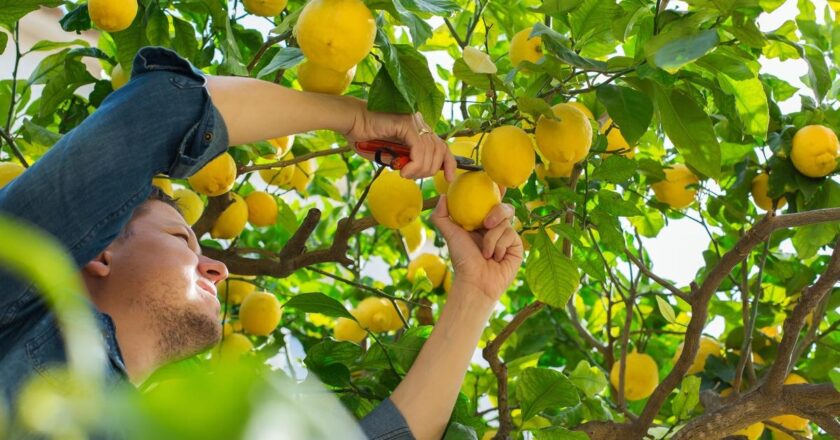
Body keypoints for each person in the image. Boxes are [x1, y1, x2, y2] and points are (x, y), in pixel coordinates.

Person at [0, 47, 523, 440]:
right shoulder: (16, 288)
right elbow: (156, 115)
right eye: (182, 237)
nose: (219, 269)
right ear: (98, 251)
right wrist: (356, 117)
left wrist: (475, 290)